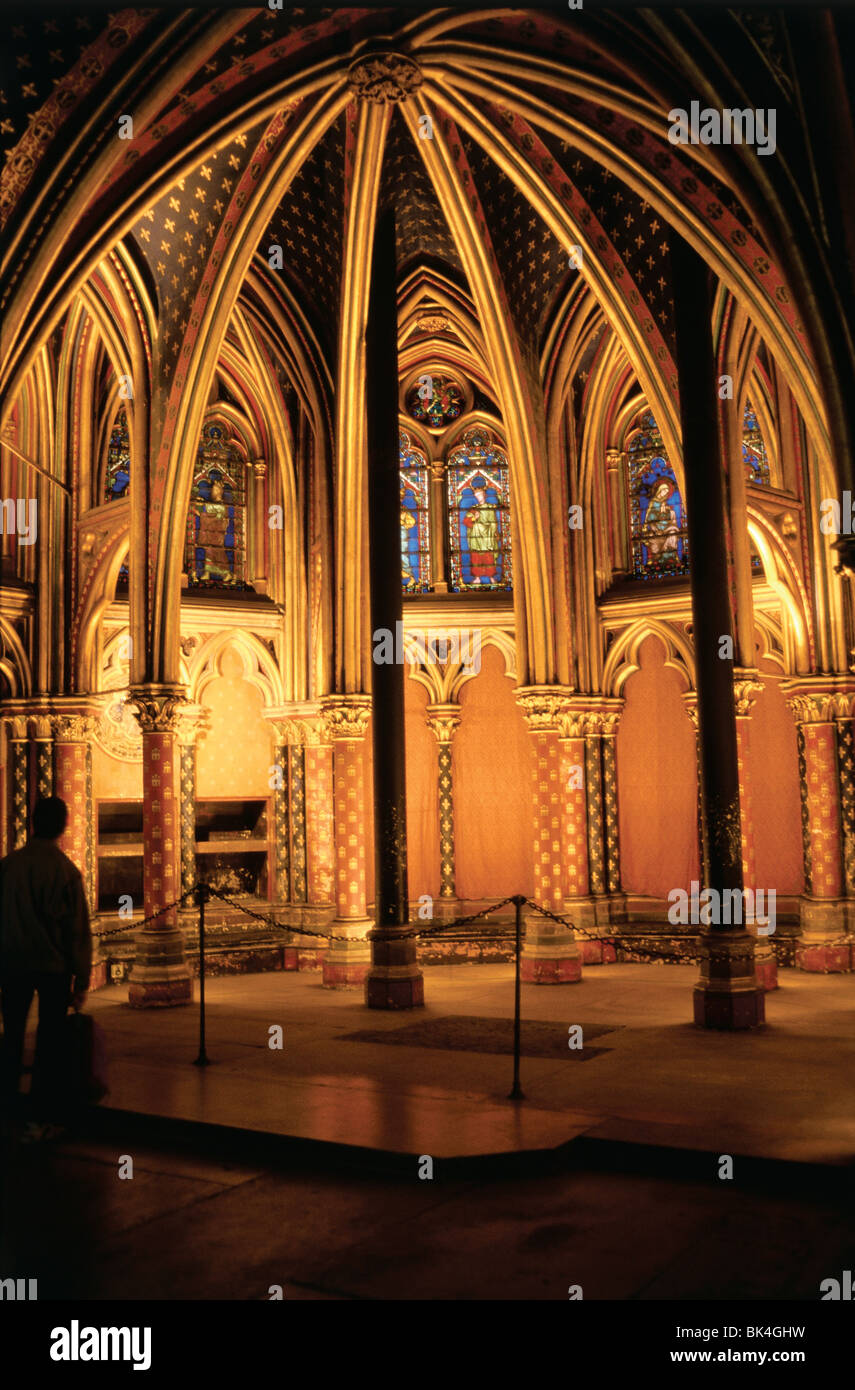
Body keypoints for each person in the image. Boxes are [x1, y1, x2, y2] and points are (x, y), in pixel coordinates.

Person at [0, 796, 92, 1141]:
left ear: (33, 822)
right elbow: (77, 931)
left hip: (12, 965)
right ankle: (39, 1118)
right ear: (63, 826)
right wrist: (81, 979)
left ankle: (7, 1109)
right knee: (49, 1044)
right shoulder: (65, 872)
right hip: (52, 968)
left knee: (11, 1038)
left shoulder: (8, 867)